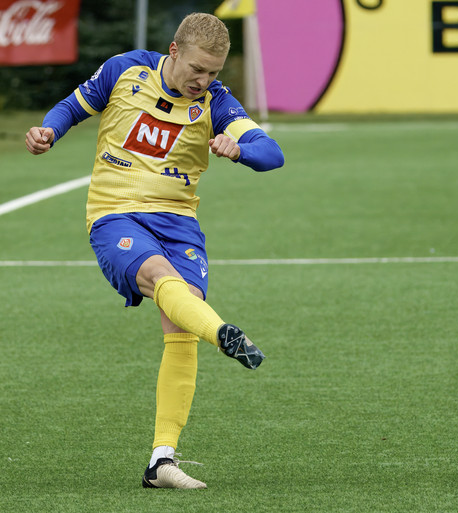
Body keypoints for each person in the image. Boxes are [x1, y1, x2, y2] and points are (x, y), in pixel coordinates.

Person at [25, 12, 284, 490]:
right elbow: (72, 107)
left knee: (181, 321)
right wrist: (49, 131)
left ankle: (161, 460)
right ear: (174, 51)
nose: (203, 81)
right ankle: (222, 332)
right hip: (115, 213)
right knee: (163, 277)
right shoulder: (124, 70)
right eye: (197, 69)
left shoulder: (216, 102)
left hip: (179, 223)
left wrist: (240, 149)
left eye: (213, 72)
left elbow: (272, 154)